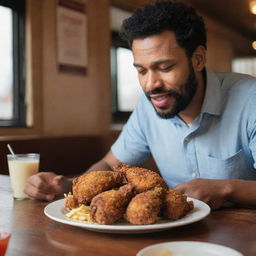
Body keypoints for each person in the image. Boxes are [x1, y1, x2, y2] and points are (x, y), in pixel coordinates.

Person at [25, 1, 256, 209]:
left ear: (198, 59)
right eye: (142, 71)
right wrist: (70, 185)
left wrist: (226, 189)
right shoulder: (149, 109)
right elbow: (109, 164)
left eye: (165, 68)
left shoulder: (249, 99)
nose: (151, 84)